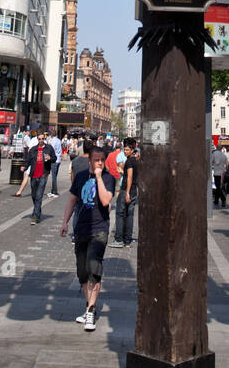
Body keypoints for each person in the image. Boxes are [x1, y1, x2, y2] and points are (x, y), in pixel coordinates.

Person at [61, 142, 115, 331]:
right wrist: (65, 221)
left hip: (99, 229)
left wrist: (99, 178)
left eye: (102, 161)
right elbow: (72, 200)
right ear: (90, 161)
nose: (99, 163)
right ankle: (88, 306)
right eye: (96, 161)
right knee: (82, 273)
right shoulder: (81, 177)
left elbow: (106, 200)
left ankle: (91, 310)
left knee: (94, 269)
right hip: (81, 229)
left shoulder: (108, 178)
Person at [15, 132, 53, 224]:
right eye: (39, 139)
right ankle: (38, 211)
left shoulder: (49, 148)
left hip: (44, 173)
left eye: (42, 139)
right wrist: (24, 166)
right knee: (34, 195)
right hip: (34, 174)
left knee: (39, 195)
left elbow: (55, 158)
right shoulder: (33, 149)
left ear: (45, 139)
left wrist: (50, 158)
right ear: (37, 139)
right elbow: (28, 161)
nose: (41, 140)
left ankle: (36, 216)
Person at [112, 140, 139, 247]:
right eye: (124, 149)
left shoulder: (129, 162)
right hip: (134, 190)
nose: (125, 151)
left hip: (126, 190)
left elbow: (130, 177)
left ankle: (119, 239)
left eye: (127, 150)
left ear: (132, 150)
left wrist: (127, 192)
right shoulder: (136, 160)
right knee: (130, 215)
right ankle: (127, 240)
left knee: (120, 213)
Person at [48, 130, 63, 196]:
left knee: (54, 177)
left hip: (54, 160)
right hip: (58, 159)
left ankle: (54, 191)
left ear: (51, 134)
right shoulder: (58, 140)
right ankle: (53, 190)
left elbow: (52, 149)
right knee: (55, 176)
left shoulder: (53, 141)